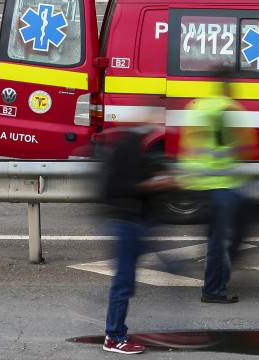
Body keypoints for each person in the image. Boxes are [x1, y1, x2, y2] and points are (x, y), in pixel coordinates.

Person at [100, 108, 178, 354]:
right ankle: (114, 337)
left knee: (127, 280)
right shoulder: (128, 146)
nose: (160, 124)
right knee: (123, 282)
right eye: (157, 119)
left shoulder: (136, 145)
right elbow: (124, 186)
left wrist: (159, 177)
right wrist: (157, 184)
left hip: (134, 221)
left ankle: (114, 332)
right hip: (124, 222)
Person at [176, 81, 259, 304]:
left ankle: (216, 282)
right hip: (222, 185)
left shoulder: (196, 106)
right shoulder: (228, 108)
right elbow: (246, 148)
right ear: (228, 87)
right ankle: (213, 290)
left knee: (219, 239)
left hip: (198, 184)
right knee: (221, 241)